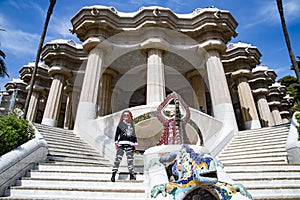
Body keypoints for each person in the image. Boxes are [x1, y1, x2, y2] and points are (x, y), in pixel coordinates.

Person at [111, 110, 138, 182]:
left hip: (130, 144)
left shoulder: (131, 125)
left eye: (127, 115)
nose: (126, 116)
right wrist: (116, 142)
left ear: (130, 116)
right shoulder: (120, 125)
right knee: (118, 159)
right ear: (122, 117)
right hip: (122, 144)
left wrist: (135, 143)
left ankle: (132, 175)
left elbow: (134, 135)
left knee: (130, 160)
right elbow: (117, 134)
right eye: (124, 115)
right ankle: (113, 174)